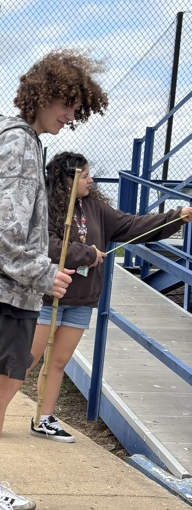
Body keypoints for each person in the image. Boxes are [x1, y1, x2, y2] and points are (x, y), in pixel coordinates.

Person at [0, 50, 108, 510]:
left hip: (13, 289)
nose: (70, 117)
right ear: (42, 94)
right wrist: (43, 272)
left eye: (76, 108)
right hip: (7, 290)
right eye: (66, 104)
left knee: (4, 392)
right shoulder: (18, 145)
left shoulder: (23, 142)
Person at [29, 151, 192, 441]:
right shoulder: (45, 207)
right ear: (67, 180)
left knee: (57, 362)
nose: (92, 179)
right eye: (86, 175)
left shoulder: (94, 206)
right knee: (25, 359)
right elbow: (49, 246)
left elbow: (132, 226)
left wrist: (176, 217)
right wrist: (88, 254)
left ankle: (44, 418)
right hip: (47, 296)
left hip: (82, 299)